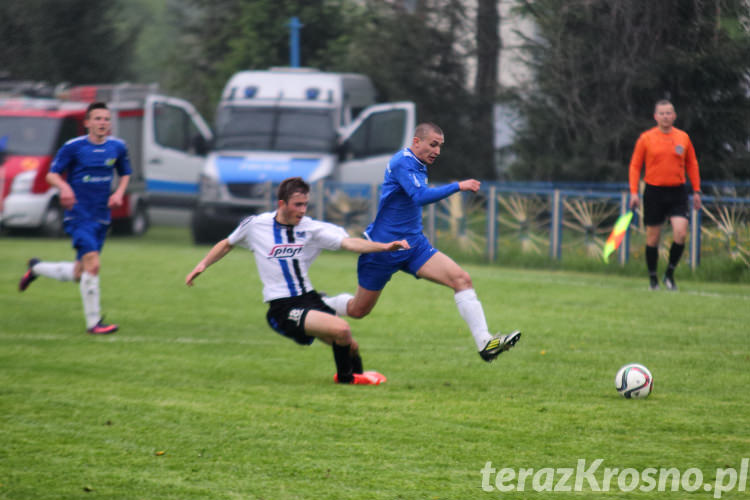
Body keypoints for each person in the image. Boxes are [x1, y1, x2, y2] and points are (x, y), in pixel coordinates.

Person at [322, 123, 521, 362]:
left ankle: (485, 343)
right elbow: (419, 196)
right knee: (358, 310)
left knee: (462, 279)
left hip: (414, 246)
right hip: (382, 249)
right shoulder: (402, 162)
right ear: (416, 142)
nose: (437, 151)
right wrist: (458, 185)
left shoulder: (418, 164)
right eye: (433, 144)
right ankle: (320, 304)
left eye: (440, 146)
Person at [185, 177, 410, 385]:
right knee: (342, 329)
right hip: (282, 308)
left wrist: (384, 247)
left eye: (305, 205)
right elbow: (227, 243)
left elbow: (350, 244)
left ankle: (357, 380)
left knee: (350, 345)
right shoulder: (256, 225)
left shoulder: (309, 228)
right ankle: (346, 379)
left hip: (308, 298)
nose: (302, 211)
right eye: (297, 205)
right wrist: (202, 264)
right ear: (281, 203)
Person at [18, 102, 131, 334]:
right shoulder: (73, 147)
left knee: (81, 272)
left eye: (106, 119)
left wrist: (119, 192)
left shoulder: (117, 147)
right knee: (94, 264)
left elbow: (126, 172)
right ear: (87, 122)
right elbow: (51, 175)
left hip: (101, 216)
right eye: (98, 119)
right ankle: (94, 323)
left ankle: (36, 268)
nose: (103, 123)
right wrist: (65, 188)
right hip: (78, 215)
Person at [628, 99, 701, 291]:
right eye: (662, 113)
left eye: (669, 113)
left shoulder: (683, 137)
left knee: (681, 233)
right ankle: (653, 279)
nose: (665, 116)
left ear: (674, 116)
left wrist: (696, 190)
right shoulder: (646, 138)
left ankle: (669, 274)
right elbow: (635, 165)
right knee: (653, 238)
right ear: (655, 116)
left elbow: (692, 164)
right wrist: (634, 192)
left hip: (677, 191)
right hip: (654, 191)